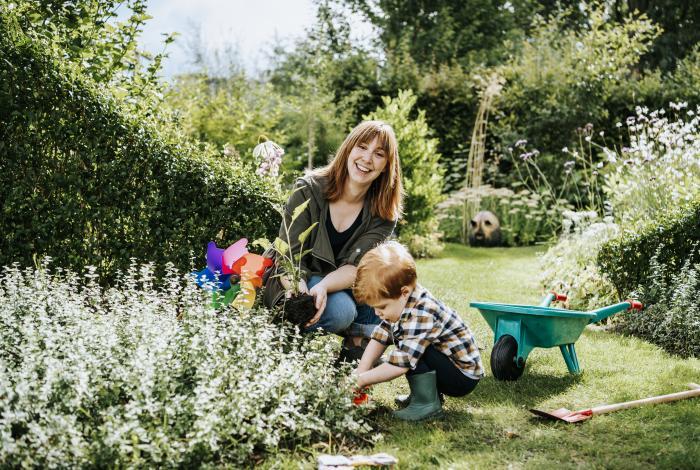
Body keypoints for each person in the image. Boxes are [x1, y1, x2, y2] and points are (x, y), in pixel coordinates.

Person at [263, 120, 403, 360]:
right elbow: (288, 254)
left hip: (339, 283)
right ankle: (277, 337)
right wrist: (302, 295)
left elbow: (356, 267)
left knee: (388, 291)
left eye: (378, 154)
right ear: (348, 149)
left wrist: (324, 287)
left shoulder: (383, 213)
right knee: (340, 311)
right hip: (293, 279)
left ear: (387, 165)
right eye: (362, 147)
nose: (367, 159)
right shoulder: (308, 189)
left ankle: (353, 357)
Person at [352, 241, 484, 421]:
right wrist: (361, 370)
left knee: (410, 350)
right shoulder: (403, 302)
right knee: (405, 341)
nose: (377, 313)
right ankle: (425, 394)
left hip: (462, 376)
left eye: (382, 307)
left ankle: (426, 404)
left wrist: (362, 380)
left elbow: (400, 365)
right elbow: (381, 336)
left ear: (404, 292)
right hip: (447, 363)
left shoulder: (422, 313)